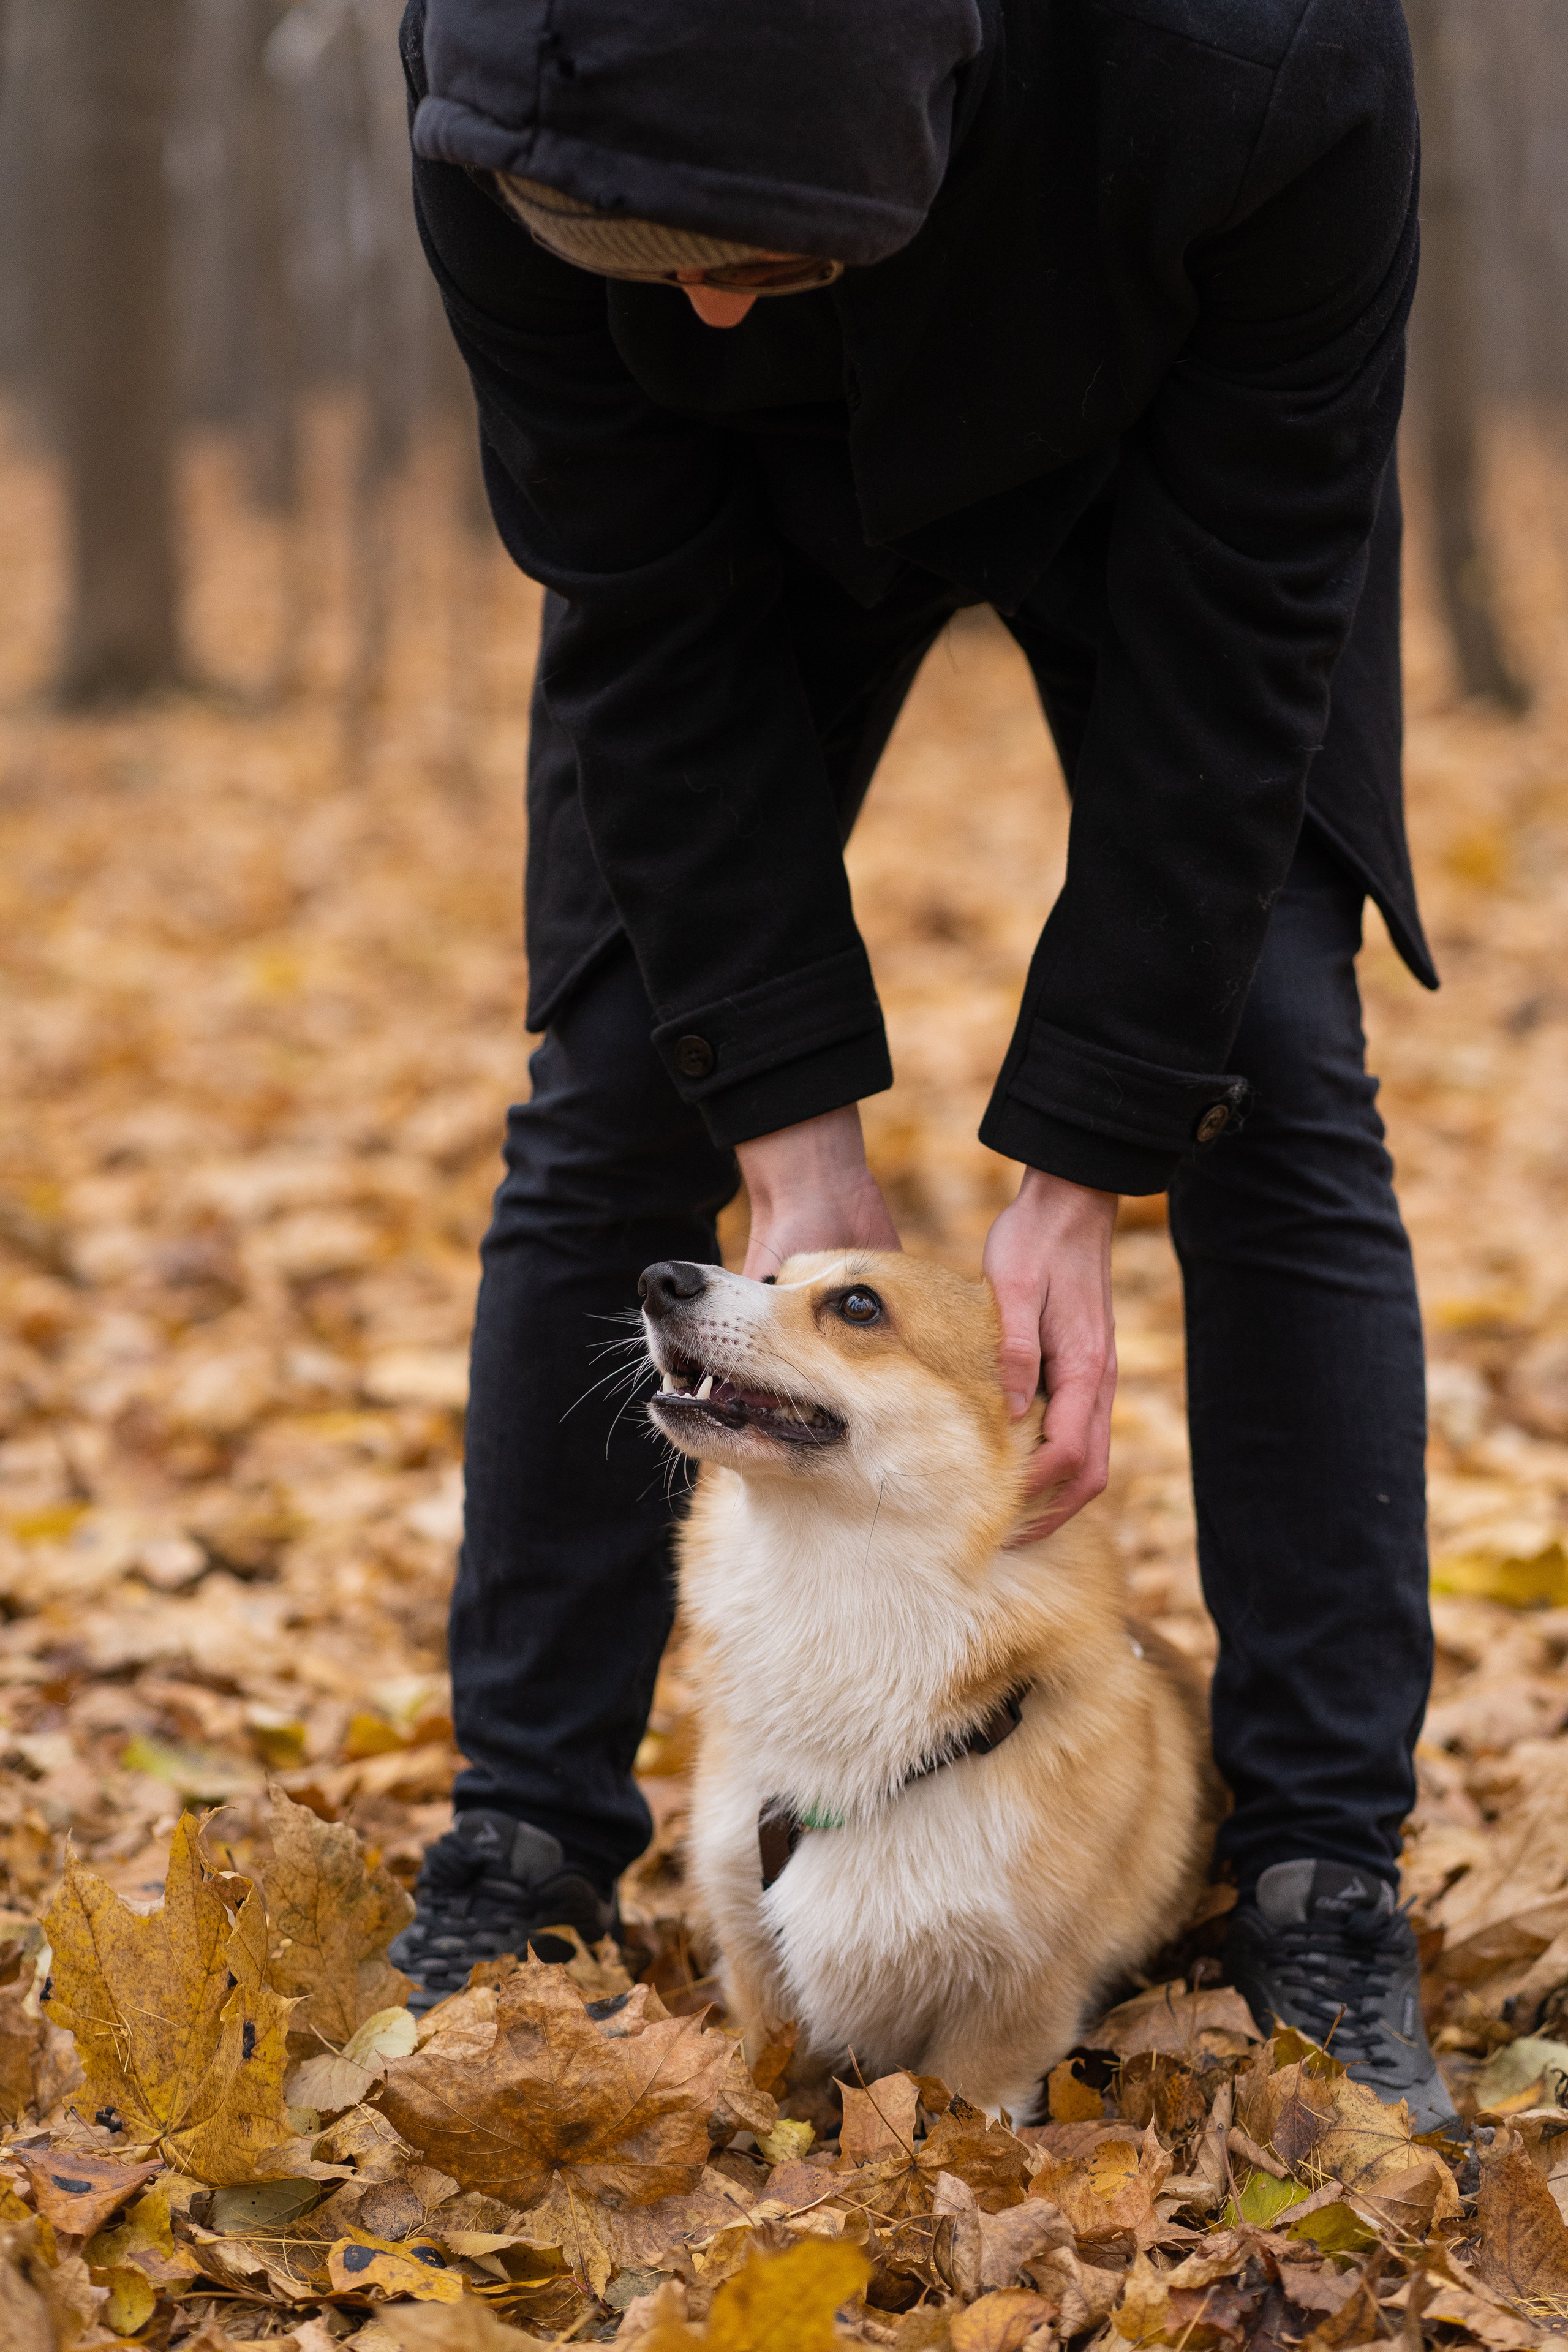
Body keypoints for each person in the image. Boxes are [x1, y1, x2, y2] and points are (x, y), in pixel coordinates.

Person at [388, 0, 1457, 2130]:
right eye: (624, 246)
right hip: (719, 515)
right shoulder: (488, 78)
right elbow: (638, 601)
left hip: (1170, 444)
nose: (692, 300)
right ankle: (520, 1836)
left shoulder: (1265, 66)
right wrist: (789, 1147)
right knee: (619, 1077)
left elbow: (1256, 616)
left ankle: (1322, 1870)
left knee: (1269, 1063)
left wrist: (1084, 1162)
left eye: (743, 252)